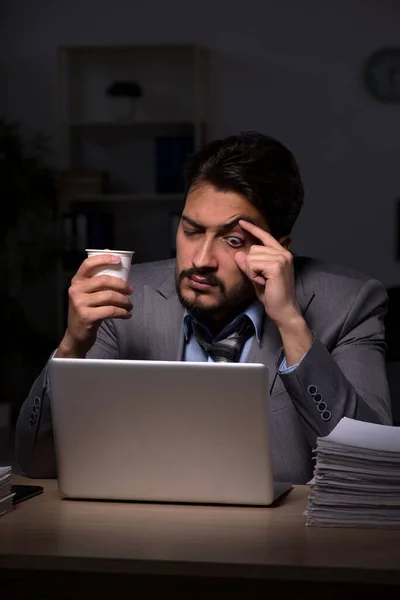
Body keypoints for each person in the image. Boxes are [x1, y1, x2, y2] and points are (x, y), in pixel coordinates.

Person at [15, 131, 392, 482]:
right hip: (142, 532)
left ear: (279, 248)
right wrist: (71, 348)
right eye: (191, 231)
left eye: (232, 240)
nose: (201, 259)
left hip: (283, 542)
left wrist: (291, 324)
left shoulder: (349, 304)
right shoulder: (124, 299)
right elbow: (36, 464)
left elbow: (371, 470)